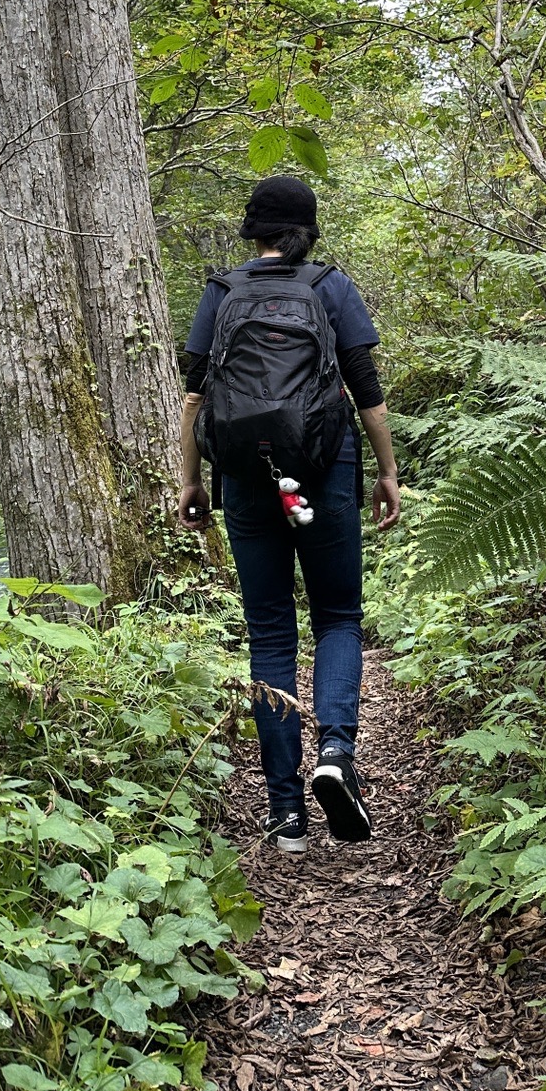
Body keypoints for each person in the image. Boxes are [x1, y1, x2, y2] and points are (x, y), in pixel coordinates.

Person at [178, 174, 400, 854]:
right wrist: (388, 471)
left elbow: (193, 398)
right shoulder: (329, 286)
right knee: (336, 616)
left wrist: (190, 482)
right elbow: (366, 390)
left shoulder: (221, 292)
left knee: (269, 632)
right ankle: (335, 754)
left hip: (248, 481)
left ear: (254, 232)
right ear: (307, 230)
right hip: (319, 477)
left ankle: (285, 815)